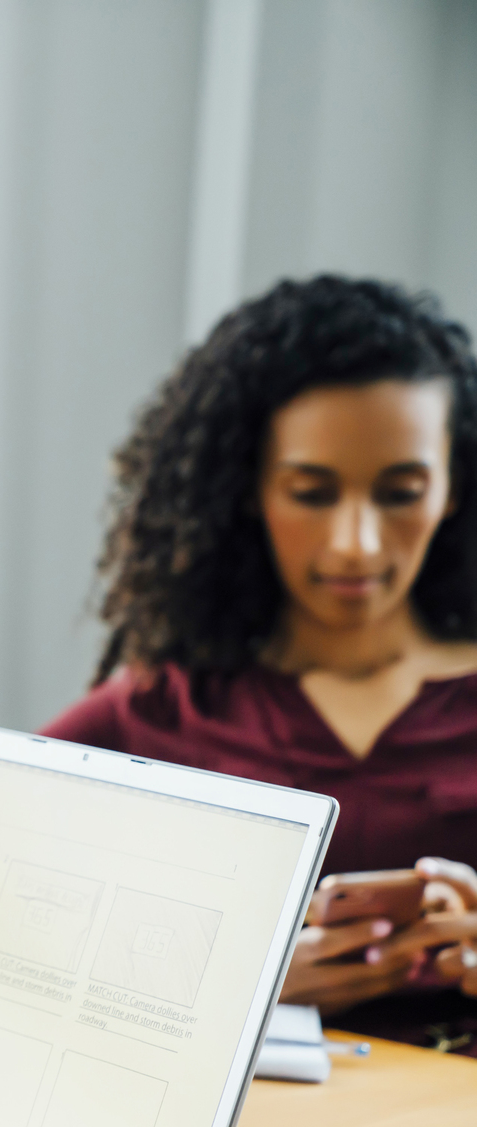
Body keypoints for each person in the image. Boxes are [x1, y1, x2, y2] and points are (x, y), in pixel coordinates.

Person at [42, 275, 477, 1047]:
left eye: (401, 491)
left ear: (452, 489)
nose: (357, 543)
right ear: (246, 490)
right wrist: (240, 986)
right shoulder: (156, 710)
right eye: (311, 493)